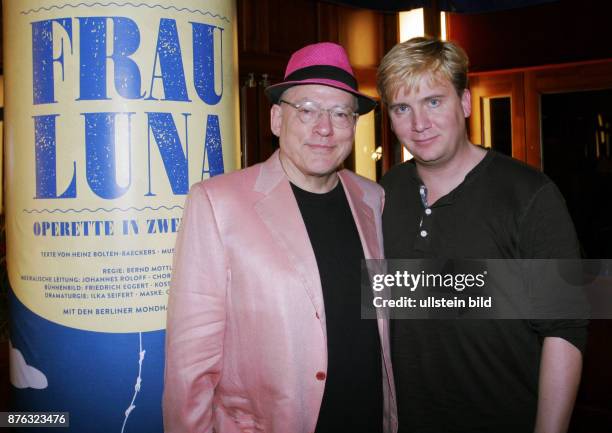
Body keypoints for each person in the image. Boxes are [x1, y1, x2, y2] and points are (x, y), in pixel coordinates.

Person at [163, 42, 397, 433]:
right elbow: (191, 362)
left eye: (340, 113)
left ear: (353, 126)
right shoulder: (218, 203)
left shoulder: (372, 198)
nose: (324, 128)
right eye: (306, 110)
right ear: (276, 119)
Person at [377, 37, 586, 433]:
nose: (419, 124)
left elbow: (565, 330)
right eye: (403, 108)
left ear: (466, 103)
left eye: (434, 102)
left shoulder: (530, 195)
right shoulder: (382, 195)